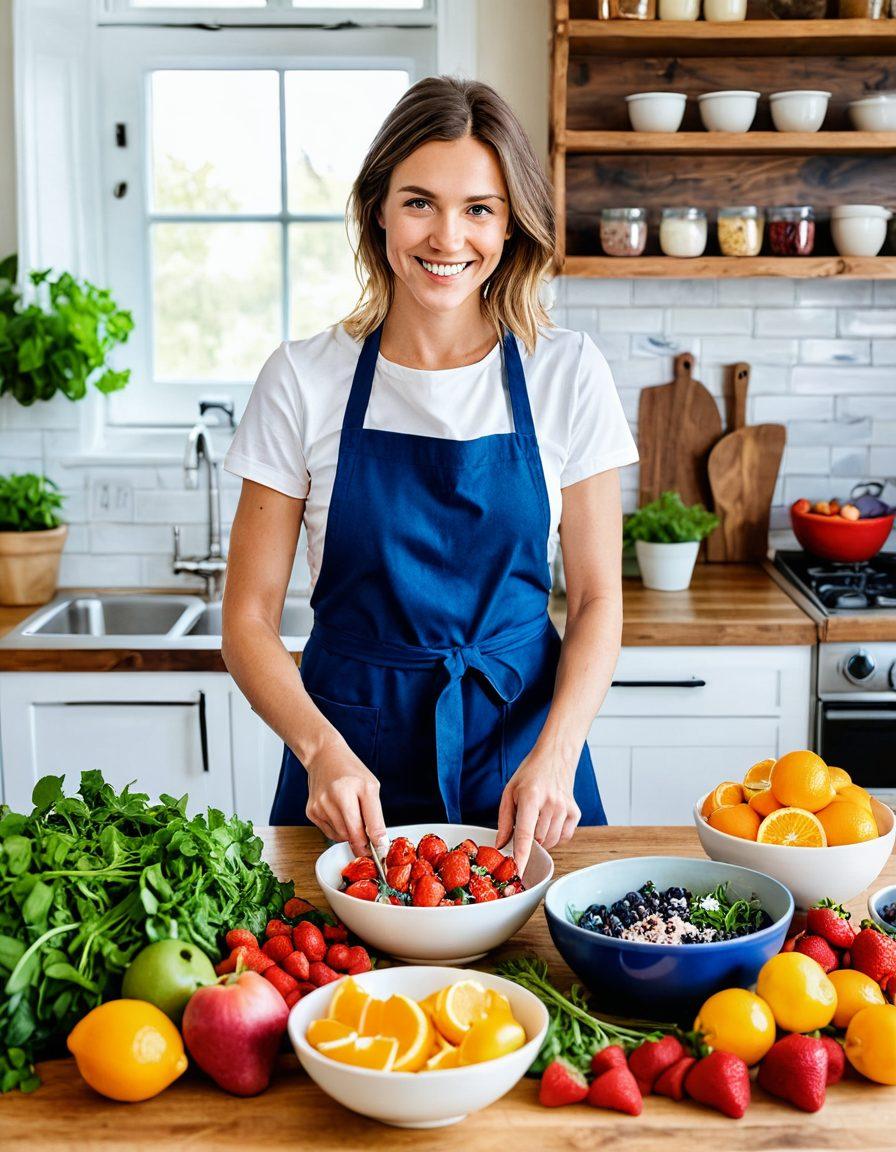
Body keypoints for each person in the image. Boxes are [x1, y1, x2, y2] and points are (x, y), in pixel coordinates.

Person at [222, 75, 638, 875]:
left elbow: (595, 600)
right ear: (377, 208)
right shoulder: (303, 378)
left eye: (478, 208)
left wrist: (558, 752)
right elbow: (245, 619)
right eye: (420, 202)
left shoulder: (568, 372)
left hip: (526, 753)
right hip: (346, 763)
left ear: (509, 221)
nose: (449, 237)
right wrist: (320, 750)